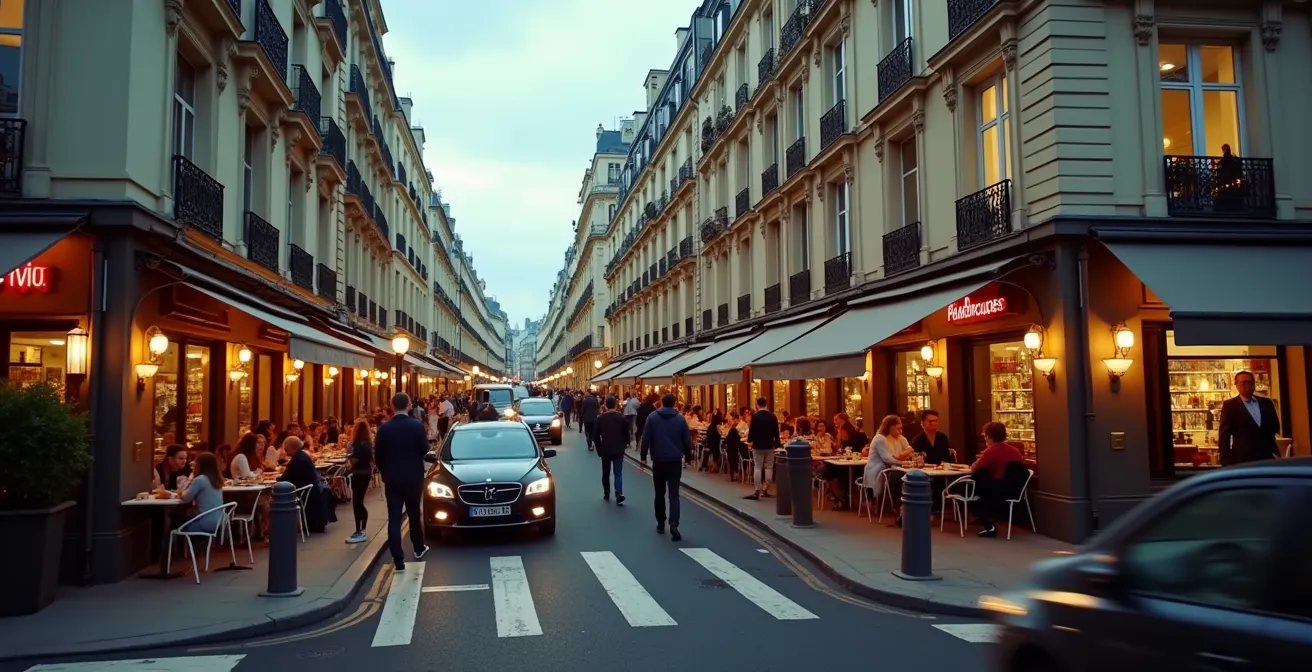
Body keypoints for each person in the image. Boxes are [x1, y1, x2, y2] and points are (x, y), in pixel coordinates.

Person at [374, 393, 430, 570]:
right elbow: (425, 451)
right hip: (413, 477)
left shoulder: (384, 429)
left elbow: (378, 457)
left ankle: (398, 558)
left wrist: (385, 473)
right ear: (408, 405)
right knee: (414, 513)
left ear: (391, 406)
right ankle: (418, 548)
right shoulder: (416, 426)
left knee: (394, 518)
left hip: (392, 478)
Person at [639, 393, 694, 541]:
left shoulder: (652, 417)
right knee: (674, 494)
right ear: (675, 403)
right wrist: (688, 457)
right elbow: (687, 440)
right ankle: (674, 524)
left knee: (659, 493)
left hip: (659, 460)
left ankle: (660, 522)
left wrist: (643, 457)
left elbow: (646, 438)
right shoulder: (681, 419)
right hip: (675, 461)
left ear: (661, 402)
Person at [970, 422, 1027, 538]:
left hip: (997, 490)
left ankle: (986, 522)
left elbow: (974, 468)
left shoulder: (990, 451)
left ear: (988, 437)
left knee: (975, 480)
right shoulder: (1015, 450)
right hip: (1016, 490)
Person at [1217, 370, 1281, 465]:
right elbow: (1224, 436)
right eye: (1243, 383)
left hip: (1267, 457)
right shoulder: (1230, 406)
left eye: (1250, 382)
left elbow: (1275, 427)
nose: (1247, 385)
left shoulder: (1266, 403)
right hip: (1242, 459)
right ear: (1236, 385)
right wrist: (1226, 462)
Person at [864, 414, 916, 525]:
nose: (901, 431)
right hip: (879, 470)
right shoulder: (880, 438)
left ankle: (905, 507)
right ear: (889, 427)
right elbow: (887, 458)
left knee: (908, 476)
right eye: (898, 428)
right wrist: (904, 461)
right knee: (896, 478)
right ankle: (898, 509)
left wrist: (903, 457)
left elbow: (910, 451)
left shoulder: (901, 438)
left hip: (895, 468)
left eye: (901, 428)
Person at [594, 395, 630, 505]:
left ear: (605, 405)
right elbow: (626, 435)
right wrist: (624, 444)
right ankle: (619, 493)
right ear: (615, 404)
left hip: (605, 449)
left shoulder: (600, 418)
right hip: (618, 449)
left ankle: (606, 492)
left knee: (606, 472)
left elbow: (595, 436)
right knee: (618, 473)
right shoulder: (622, 418)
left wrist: (599, 448)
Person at [178, 452, 226, 534]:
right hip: (219, 521)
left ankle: (178, 546)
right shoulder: (217, 480)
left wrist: (180, 493)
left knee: (177, 522)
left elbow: (186, 498)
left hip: (204, 522)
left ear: (199, 465)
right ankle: (202, 545)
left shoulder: (200, 479)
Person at [745, 397, 780, 500]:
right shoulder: (772, 416)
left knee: (758, 467)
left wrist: (750, 440)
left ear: (757, 404)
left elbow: (752, 430)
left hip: (758, 445)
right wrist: (777, 443)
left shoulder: (755, 416)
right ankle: (766, 489)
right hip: (769, 445)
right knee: (769, 467)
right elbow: (776, 432)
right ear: (766, 404)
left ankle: (757, 490)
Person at [346, 420, 374, 544]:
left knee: (357, 502)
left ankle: (360, 529)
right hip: (366, 473)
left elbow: (354, 461)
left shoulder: (358, 444)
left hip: (359, 474)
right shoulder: (367, 443)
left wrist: (349, 456)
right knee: (359, 501)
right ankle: (361, 529)